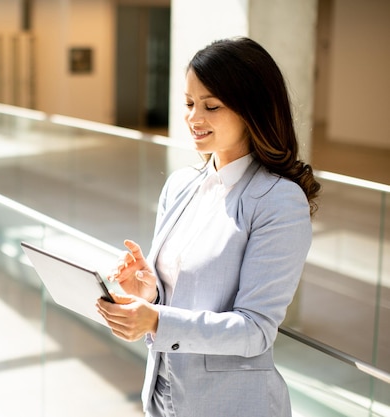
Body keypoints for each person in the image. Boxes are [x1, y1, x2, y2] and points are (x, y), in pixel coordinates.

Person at [96, 37, 321, 417]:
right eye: (188, 103)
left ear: (252, 110)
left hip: (232, 405)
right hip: (164, 395)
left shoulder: (278, 201)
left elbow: (255, 330)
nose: (193, 118)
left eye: (211, 106)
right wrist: (149, 293)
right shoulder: (181, 185)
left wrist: (156, 319)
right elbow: (183, 300)